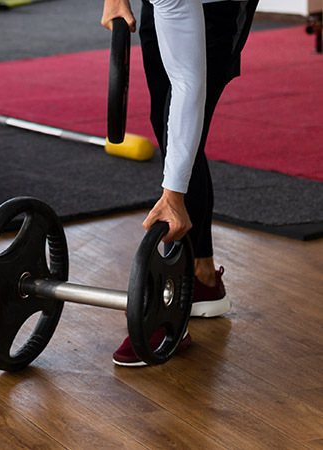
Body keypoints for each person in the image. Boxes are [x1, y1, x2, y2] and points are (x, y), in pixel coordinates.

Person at [101, 0, 259, 366]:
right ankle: (202, 278)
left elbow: (190, 84)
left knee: (182, 125)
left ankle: (171, 304)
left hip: (215, 5)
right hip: (167, 5)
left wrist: (172, 197)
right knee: (165, 121)